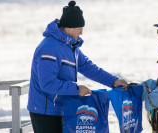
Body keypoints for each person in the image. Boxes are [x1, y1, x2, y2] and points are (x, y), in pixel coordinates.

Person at [27, 1, 127, 133]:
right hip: (46, 111)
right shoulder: (49, 49)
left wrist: (113, 81)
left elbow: (89, 67)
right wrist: (76, 89)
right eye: (80, 28)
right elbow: (47, 83)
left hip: (62, 107)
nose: (82, 33)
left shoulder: (70, 47)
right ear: (69, 28)